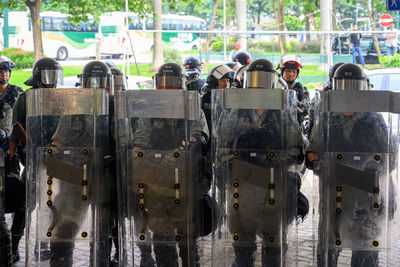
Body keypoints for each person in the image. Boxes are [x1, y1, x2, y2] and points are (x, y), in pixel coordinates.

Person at [213, 59, 307, 267]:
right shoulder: (235, 112)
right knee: (243, 243)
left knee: (273, 242)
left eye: (263, 85)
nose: (259, 90)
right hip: (243, 184)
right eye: (255, 85)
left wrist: (276, 159)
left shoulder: (283, 113)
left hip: (272, 184)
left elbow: (296, 150)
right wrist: (232, 163)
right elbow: (221, 146)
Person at [306, 63, 396, 267]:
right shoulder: (327, 120)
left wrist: (373, 169)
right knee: (329, 249)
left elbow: (390, 156)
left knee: (365, 251)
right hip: (334, 196)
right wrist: (319, 164)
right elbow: (311, 154)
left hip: (366, 196)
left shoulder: (374, 120)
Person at [131, 62, 209, 266]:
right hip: (156, 181)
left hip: (184, 180)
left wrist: (180, 154)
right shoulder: (150, 111)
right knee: (161, 233)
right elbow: (139, 141)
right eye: (163, 84)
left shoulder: (192, 107)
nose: (166, 89)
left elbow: (199, 137)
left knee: (186, 236)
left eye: (171, 84)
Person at [44, 60, 111, 267]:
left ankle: (100, 263)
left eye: (99, 81)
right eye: (90, 81)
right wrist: (51, 151)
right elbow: (59, 138)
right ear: (82, 83)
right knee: (65, 224)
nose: (94, 86)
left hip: (104, 174)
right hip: (74, 173)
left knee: (103, 230)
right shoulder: (73, 105)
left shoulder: (115, 104)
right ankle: (60, 263)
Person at [10, 57, 63, 263]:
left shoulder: (61, 97)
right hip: (33, 160)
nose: (52, 80)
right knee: (25, 205)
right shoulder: (26, 98)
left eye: (55, 75)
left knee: (54, 203)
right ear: (38, 76)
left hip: (57, 159)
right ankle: (14, 246)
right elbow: (16, 125)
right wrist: (18, 147)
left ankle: (45, 245)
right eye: (48, 75)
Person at [0, 56, 21, 265]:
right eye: (0, 71)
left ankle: (14, 246)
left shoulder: (16, 93)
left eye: (6, 71)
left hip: (13, 153)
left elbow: (20, 121)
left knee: (19, 200)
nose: (4, 75)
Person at [278, 55, 311, 128]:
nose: (291, 74)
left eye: (294, 71)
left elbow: (305, 108)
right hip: (276, 127)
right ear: (282, 71)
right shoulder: (274, 88)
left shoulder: (302, 90)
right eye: (288, 71)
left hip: (295, 129)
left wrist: (290, 98)